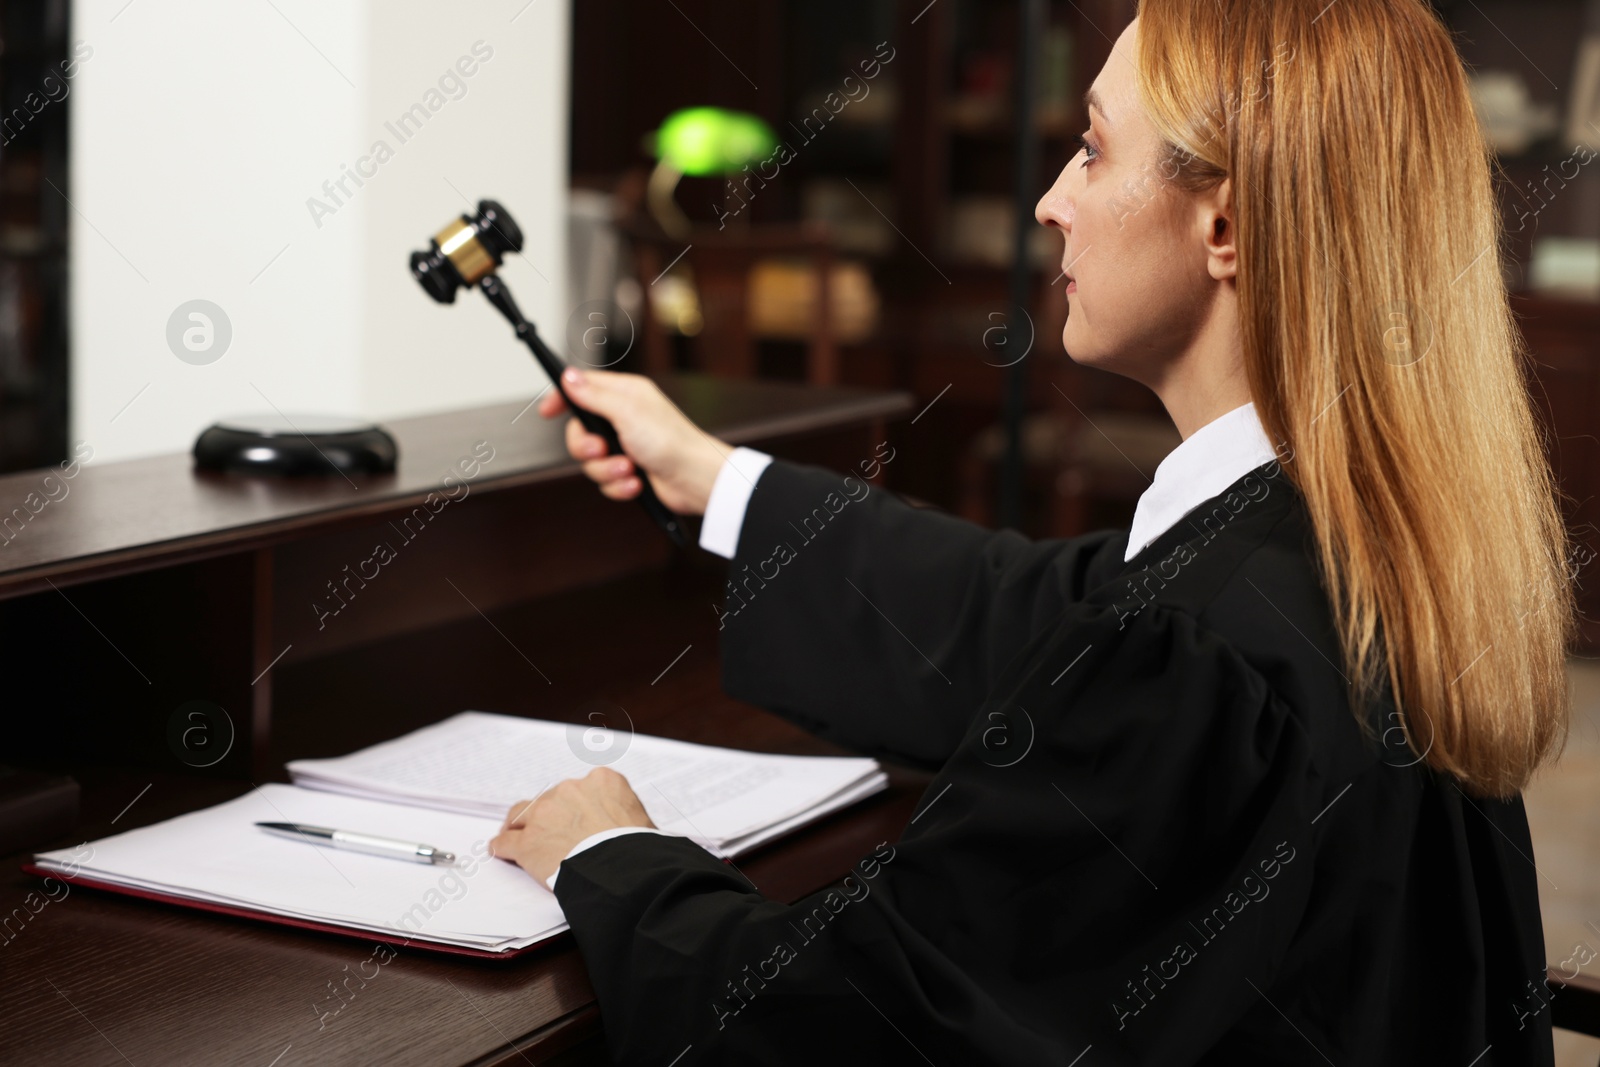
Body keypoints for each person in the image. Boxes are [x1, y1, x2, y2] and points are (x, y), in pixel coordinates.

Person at [488, 1, 1575, 1062]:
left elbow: (859, 1026)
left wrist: (613, 852)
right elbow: (1025, 605)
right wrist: (715, 478)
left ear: (1227, 224)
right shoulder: (1361, 555)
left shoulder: (1197, 658)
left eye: (1094, 151)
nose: (1051, 200)